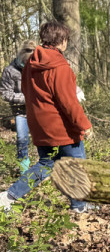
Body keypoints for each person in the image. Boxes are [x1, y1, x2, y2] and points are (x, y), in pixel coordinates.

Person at [0, 21, 95, 213]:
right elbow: (68, 102)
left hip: (40, 125)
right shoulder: (60, 66)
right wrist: (84, 125)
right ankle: (79, 206)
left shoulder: (29, 64)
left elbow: (27, 93)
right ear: (62, 41)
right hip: (62, 129)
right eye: (66, 39)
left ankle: (8, 196)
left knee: (46, 165)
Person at [1, 40, 37, 172]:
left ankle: (47, 167)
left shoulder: (38, 67)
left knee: (46, 138)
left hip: (39, 110)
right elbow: (5, 93)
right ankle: (24, 170)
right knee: (22, 139)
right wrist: (26, 99)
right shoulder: (9, 71)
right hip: (20, 111)